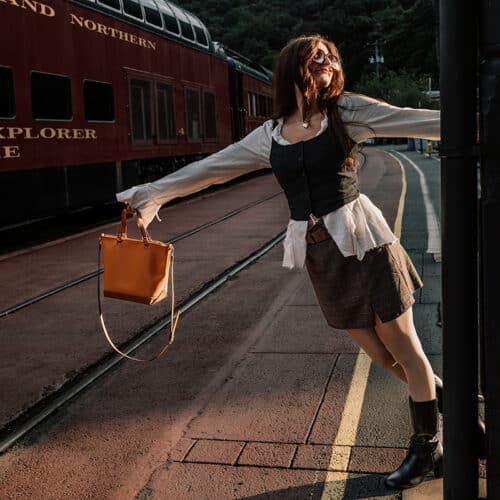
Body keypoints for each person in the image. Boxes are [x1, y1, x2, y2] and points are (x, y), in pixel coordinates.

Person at [117, 34, 442, 490]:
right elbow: (210, 168)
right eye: (317, 58)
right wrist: (149, 194)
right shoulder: (270, 135)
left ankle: (427, 448)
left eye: (331, 57)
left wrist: (480, 122)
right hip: (320, 253)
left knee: (405, 348)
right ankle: (452, 405)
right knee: (381, 356)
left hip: (365, 244)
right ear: (294, 67)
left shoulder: (346, 111)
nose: (327, 62)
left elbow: (414, 120)